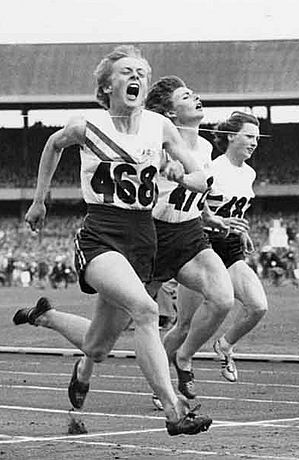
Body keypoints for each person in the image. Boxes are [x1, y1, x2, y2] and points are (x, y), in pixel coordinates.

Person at [14, 46, 213, 436]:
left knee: (98, 347)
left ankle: (45, 316)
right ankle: (174, 412)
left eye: (141, 70)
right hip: (102, 234)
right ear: (107, 86)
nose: (135, 76)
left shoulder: (160, 127)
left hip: (143, 238)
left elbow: (201, 179)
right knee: (145, 309)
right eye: (125, 71)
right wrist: (40, 200)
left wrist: (179, 174)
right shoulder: (88, 125)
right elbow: (53, 145)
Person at [161, 111, 268, 395]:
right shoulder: (212, 167)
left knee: (258, 306)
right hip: (202, 248)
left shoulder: (250, 173)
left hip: (230, 249)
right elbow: (194, 206)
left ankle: (225, 344)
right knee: (183, 325)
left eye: (257, 137)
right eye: (249, 136)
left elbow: (236, 210)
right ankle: (161, 383)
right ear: (231, 137)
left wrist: (242, 231)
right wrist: (212, 221)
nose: (255, 143)